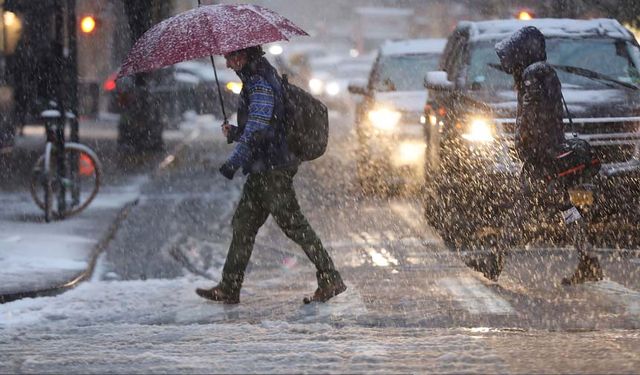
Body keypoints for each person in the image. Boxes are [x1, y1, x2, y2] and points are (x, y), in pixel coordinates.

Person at [196, 46, 346, 304]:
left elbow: (257, 130)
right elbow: (261, 127)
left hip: (272, 169)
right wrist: (234, 133)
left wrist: (233, 162)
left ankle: (330, 277)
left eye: (232, 57)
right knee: (243, 225)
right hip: (263, 168)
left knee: (295, 226)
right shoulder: (258, 78)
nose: (228, 64)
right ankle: (229, 286)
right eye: (226, 58)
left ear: (245, 55)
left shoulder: (260, 83)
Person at [465, 26, 603, 285]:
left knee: (521, 209)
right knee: (565, 208)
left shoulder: (534, 74)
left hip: (541, 158)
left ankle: (497, 260)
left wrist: (529, 147)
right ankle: (588, 260)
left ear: (522, 51)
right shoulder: (542, 71)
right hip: (548, 154)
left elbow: (533, 117)